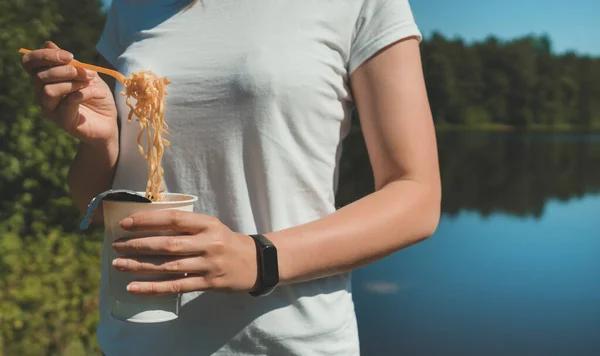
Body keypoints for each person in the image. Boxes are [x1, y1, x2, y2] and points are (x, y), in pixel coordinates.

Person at [21, 0, 441, 354]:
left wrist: (257, 258)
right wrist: (100, 142)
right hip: (136, 341)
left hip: (286, 343)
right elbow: (93, 207)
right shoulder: (133, 7)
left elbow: (416, 197)